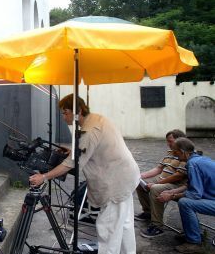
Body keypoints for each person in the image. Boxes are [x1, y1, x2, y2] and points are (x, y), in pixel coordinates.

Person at [29, 94, 140, 254]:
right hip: (125, 177)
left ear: (78, 111)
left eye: (66, 112)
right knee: (124, 224)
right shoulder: (97, 119)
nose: (64, 116)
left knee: (108, 229)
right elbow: (88, 150)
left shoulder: (88, 131)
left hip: (115, 183)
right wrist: (72, 151)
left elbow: (71, 163)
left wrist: (43, 177)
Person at [156, 138, 215, 254]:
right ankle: (193, 232)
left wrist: (172, 196)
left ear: (183, 152)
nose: (174, 155)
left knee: (185, 203)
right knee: (184, 199)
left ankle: (194, 242)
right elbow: (191, 186)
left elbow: (195, 194)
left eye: (176, 152)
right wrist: (172, 192)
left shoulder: (192, 164)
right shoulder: (200, 159)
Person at [136, 129, 188, 238]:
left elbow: (179, 176)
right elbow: (158, 168)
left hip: (176, 184)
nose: (168, 144)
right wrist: (140, 175)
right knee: (138, 182)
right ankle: (148, 212)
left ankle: (157, 226)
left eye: (170, 141)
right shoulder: (170, 153)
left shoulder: (184, 153)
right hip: (162, 179)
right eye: (167, 141)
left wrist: (158, 183)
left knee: (155, 189)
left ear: (179, 140)